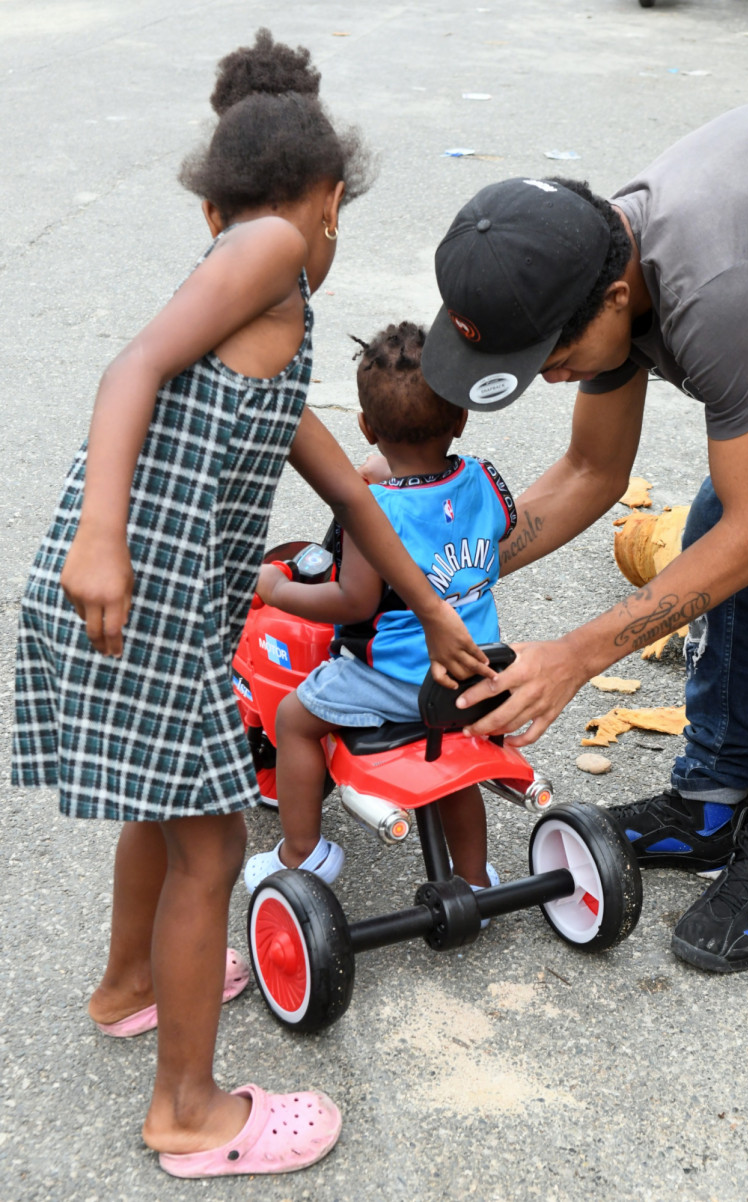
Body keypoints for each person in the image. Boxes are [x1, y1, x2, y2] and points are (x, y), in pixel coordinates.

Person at [10, 32, 490, 1181]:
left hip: (149, 599)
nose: (330, 238)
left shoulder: (256, 302)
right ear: (325, 197)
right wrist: (99, 537)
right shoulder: (272, 248)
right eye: (339, 217)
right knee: (216, 842)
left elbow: (348, 494)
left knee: (166, 812)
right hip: (140, 590)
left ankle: (131, 983)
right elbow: (127, 369)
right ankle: (189, 1108)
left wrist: (427, 607)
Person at [419, 99, 748, 975]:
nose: (547, 379)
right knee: (715, 527)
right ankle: (710, 801)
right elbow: (593, 470)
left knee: (739, 527)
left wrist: (577, 653)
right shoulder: (601, 260)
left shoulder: (715, 294)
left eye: (548, 357)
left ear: (617, 299)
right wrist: (440, 571)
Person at [243, 321, 517, 911]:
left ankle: (301, 853)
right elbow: (471, 519)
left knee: (293, 719)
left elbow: (353, 602)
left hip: (395, 681)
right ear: (461, 418)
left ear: (367, 427)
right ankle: (475, 880)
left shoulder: (372, 513)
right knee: (454, 762)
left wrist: (275, 587)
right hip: (475, 674)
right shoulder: (483, 480)